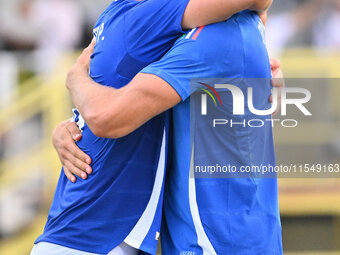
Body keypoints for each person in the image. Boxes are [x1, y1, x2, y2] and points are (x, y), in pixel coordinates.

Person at [31, 0, 274, 254]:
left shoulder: (117, 14)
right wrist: (75, 82)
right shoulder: (157, 13)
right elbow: (104, 115)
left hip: (92, 231)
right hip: (94, 237)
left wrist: (255, 58)